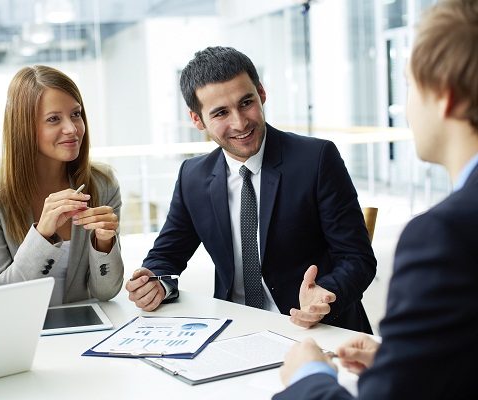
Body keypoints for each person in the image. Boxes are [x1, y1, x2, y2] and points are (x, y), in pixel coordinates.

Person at [275, 1, 478, 398]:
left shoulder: (443, 235)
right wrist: (403, 359)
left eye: (409, 83)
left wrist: (308, 376)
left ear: (445, 96)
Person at [125, 46, 376, 333]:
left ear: (262, 93)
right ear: (197, 120)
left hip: (315, 327)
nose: (240, 123)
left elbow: (357, 259)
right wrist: (155, 283)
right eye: (221, 112)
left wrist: (326, 294)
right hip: (234, 328)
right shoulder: (192, 177)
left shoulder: (316, 159)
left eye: (246, 103)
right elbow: (166, 257)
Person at [0, 65, 123, 305]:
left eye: (76, 114)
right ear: (24, 127)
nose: (72, 129)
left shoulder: (103, 183)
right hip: (20, 333)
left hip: (85, 331)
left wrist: (104, 242)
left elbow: (106, 292)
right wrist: (42, 235)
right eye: (53, 119)